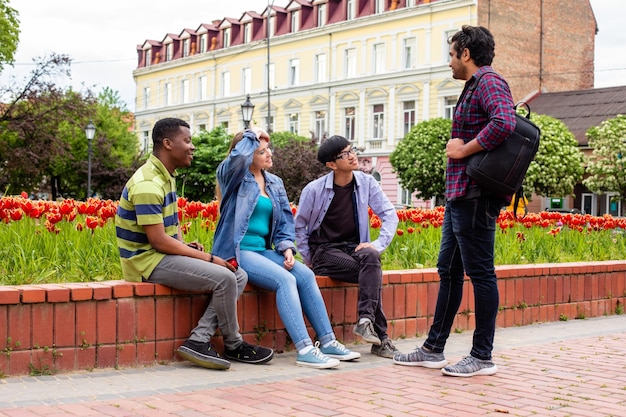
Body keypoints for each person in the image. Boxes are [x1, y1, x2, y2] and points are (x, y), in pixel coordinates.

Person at [393, 25, 516, 377]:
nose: (449, 61)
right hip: (460, 195)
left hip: (476, 195)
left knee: (481, 274)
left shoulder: (490, 81)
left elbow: (504, 122)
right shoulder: (473, 86)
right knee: (449, 270)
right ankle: (433, 349)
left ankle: (482, 356)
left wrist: (463, 148)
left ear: (466, 53)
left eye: (451, 54)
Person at [115, 117, 274, 371]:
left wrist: (185, 244)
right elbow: (157, 241)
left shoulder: (166, 176)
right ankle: (234, 344)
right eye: (187, 141)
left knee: (238, 274)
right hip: (144, 262)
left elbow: (167, 231)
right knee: (225, 277)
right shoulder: (147, 183)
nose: (192, 147)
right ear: (167, 144)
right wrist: (209, 258)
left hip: (159, 255)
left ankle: (199, 339)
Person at [212, 127, 360, 369]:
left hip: (263, 251)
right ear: (249, 153)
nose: (269, 154)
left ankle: (328, 341)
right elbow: (236, 158)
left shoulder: (274, 182)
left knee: (305, 274)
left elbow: (284, 223)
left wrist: (287, 249)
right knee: (285, 280)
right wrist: (252, 133)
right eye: (261, 151)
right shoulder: (234, 179)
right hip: (238, 251)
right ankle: (304, 348)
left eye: (269, 148)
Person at [294, 135, 399, 359]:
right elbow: (299, 226)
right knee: (372, 273)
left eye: (352, 150)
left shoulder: (367, 182)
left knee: (372, 257)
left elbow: (390, 215)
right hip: (325, 252)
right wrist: (309, 259)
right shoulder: (314, 190)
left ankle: (364, 321)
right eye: (345, 154)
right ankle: (381, 339)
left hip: (353, 248)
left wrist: (377, 244)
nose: (352, 156)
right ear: (331, 164)